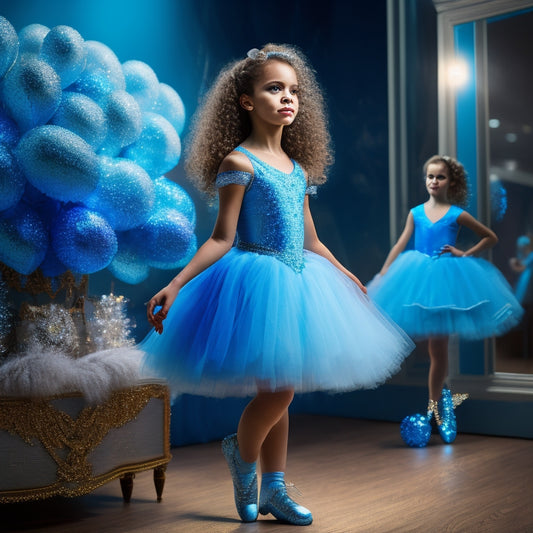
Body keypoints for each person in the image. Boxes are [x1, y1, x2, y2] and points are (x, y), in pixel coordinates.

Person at [140, 44, 414, 525]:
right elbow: (222, 237)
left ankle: (274, 489)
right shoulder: (239, 163)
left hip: (299, 279)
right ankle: (241, 455)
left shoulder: (298, 169)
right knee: (281, 391)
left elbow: (309, 237)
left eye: (294, 91)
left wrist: (345, 274)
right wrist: (177, 284)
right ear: (246, 100)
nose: (288, 98)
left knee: (280, 383)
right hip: (256, 281)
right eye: (274, 88)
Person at [367, 155, 523, 447]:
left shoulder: (456, 214)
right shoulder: (416, 213)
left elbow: (489, 237)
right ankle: (440, 401)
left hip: (446, 281)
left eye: (439, 177)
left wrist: (465, 253)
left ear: (451, 182)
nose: (434, 182)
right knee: (430, 350)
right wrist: (385, 272)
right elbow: (402, 242)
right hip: (416, 277)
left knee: (438, 349)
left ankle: (436, 408)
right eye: (430, 176)